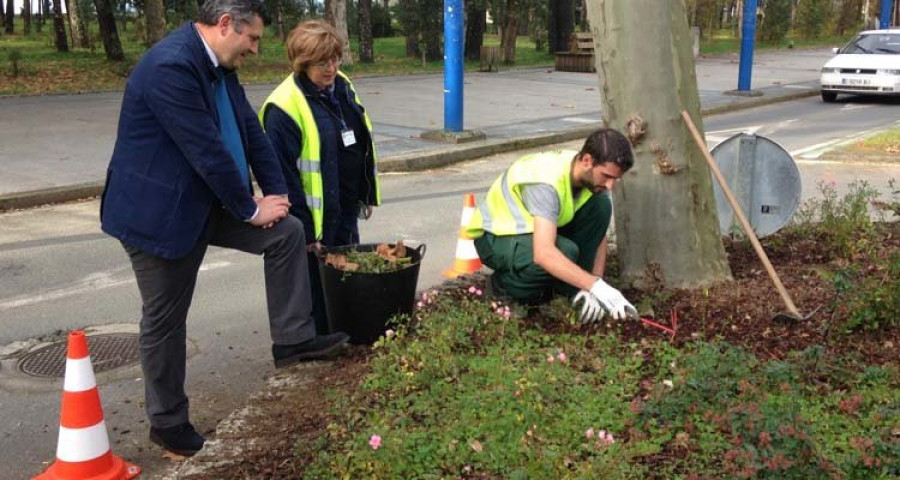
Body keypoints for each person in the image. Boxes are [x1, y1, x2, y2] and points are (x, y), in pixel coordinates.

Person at [100, 0, 349, 458]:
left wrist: (279, 200)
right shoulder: (170, 67)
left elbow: (251, 133)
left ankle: (294, 340)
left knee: (286, 232)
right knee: (166, 319)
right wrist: (249, 209)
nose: (255, 49)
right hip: (159, 214)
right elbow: (206, 149)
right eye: (252, 38)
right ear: (225, 24)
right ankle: (169, 425)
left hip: (206, 200)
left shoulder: (219, 63)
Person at [259, 19, 380, 335]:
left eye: (335, 59)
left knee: (346, 276)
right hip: (313, 223)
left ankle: (347, 330)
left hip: (345, 207)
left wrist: (366, 193)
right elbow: (282, 177)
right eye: (321, 63)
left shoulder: (341, 85)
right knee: (319, 291)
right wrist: (308, 232)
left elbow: (360, 142)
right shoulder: (283, 107)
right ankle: (322, 339)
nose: (331, 68)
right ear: (301, 63)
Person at [465, 128, 637, 323]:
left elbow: (599, 235)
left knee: (601, 206)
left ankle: (568, 289)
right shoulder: (546, 182)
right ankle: (502, 288)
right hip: (496, 237)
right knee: (564, 251)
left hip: (533, 232)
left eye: (615, 179)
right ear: (587, 161)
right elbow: (544, 253)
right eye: (606, 176)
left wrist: (596, 282)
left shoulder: (590, 177)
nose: (610, 185)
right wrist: (594, 285)